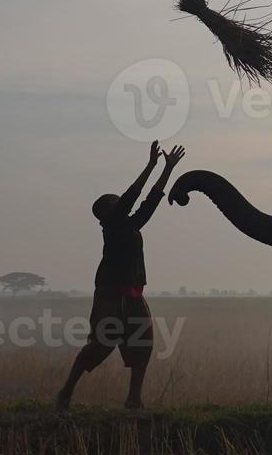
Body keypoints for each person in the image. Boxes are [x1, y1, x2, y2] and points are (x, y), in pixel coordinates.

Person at [56, 140, 184, 411]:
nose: (120, 202)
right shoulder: (113, 226)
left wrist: (167, 169)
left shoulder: (130, 225)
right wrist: (151, 165)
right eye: (114, 203)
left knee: (144, 343)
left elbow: (150, 200)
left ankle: (133, 399)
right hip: (110, 294)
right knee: (101, 345)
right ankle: (66, 391)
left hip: (134, 294)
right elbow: (134, 195)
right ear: (104, 215)